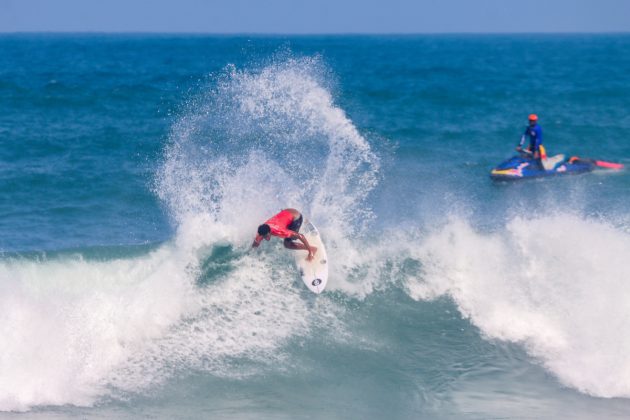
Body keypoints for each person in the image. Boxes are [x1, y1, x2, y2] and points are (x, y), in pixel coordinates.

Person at [252, 208, 317, 261]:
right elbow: (255, 245)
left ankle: (312, 249)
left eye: (266, 236)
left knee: (288, 244)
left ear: (269, 232)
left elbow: (301, 236)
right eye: (263, 237)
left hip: (296, 217)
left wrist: (310, 253)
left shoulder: (279, 231)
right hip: (286, 213)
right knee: (288, 233)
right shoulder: (260, 233)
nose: (266, 238)